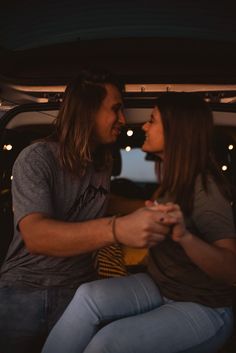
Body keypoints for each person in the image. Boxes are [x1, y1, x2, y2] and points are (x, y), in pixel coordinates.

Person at [42, 92, 236, 353]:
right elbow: (138, 212)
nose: (144, 126)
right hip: (161, 286)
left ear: (177, 129)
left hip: (205, 307)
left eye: (152, 120)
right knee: (88, 297)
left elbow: (230, 269)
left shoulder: (204, 188)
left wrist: (185, 237)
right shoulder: (171, 184)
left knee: (108, 342)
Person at [0, 69, 170, 353]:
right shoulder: (36, 159)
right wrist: (116, 229)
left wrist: (148, 208)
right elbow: (37, 236)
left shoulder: (100, 163)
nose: (123, 120)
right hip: (24, 292)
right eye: (116, 109)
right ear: (87, 110)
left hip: (79, 294)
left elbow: (103, 200)